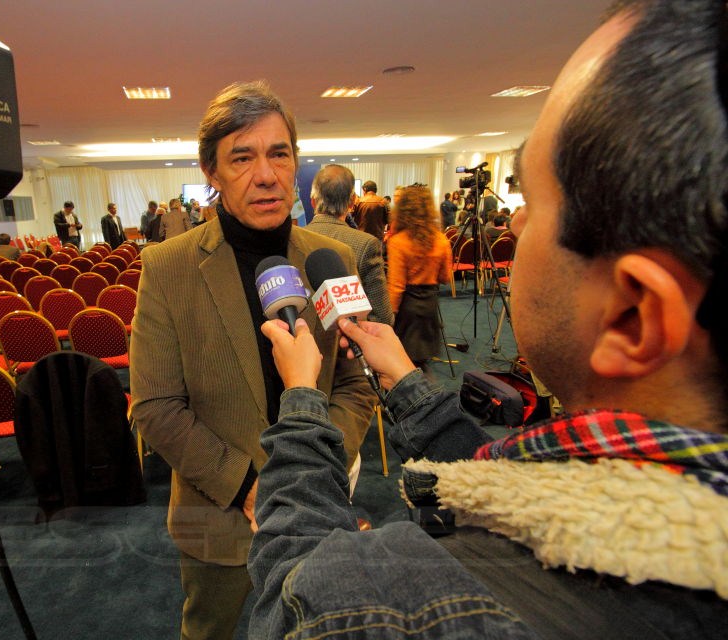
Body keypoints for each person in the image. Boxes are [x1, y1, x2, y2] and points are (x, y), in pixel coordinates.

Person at [248, 1, 728, 636]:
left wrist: (303, 402)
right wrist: (411, 389)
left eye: (536, 202)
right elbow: (513, 492)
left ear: (633, 317)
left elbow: (289, 598)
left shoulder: (417, 611)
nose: (514, 224)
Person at [130, 80, 375, 640]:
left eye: (279, 154)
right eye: (242, 158)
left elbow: (355, 384)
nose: (266, 175)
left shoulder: (332, 258)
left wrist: (312, 470)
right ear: (211, 173)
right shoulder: (167, 267)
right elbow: (156, 407)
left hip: (317, 505)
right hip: (217, 514)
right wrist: (249, 486)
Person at [306, 164, 393, 325]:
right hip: (350, 338)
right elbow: (382, 317)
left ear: (312, 201)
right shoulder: (366, 245)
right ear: (352, 201)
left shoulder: (293, 240)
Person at [386, 185, 452, 370]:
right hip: (430, 303)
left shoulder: (398, 241)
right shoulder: (441, 240)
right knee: (421, 362)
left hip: (407, 307)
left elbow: (396, 286)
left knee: (403, 363)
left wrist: (389, 318)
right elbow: (445, 277)